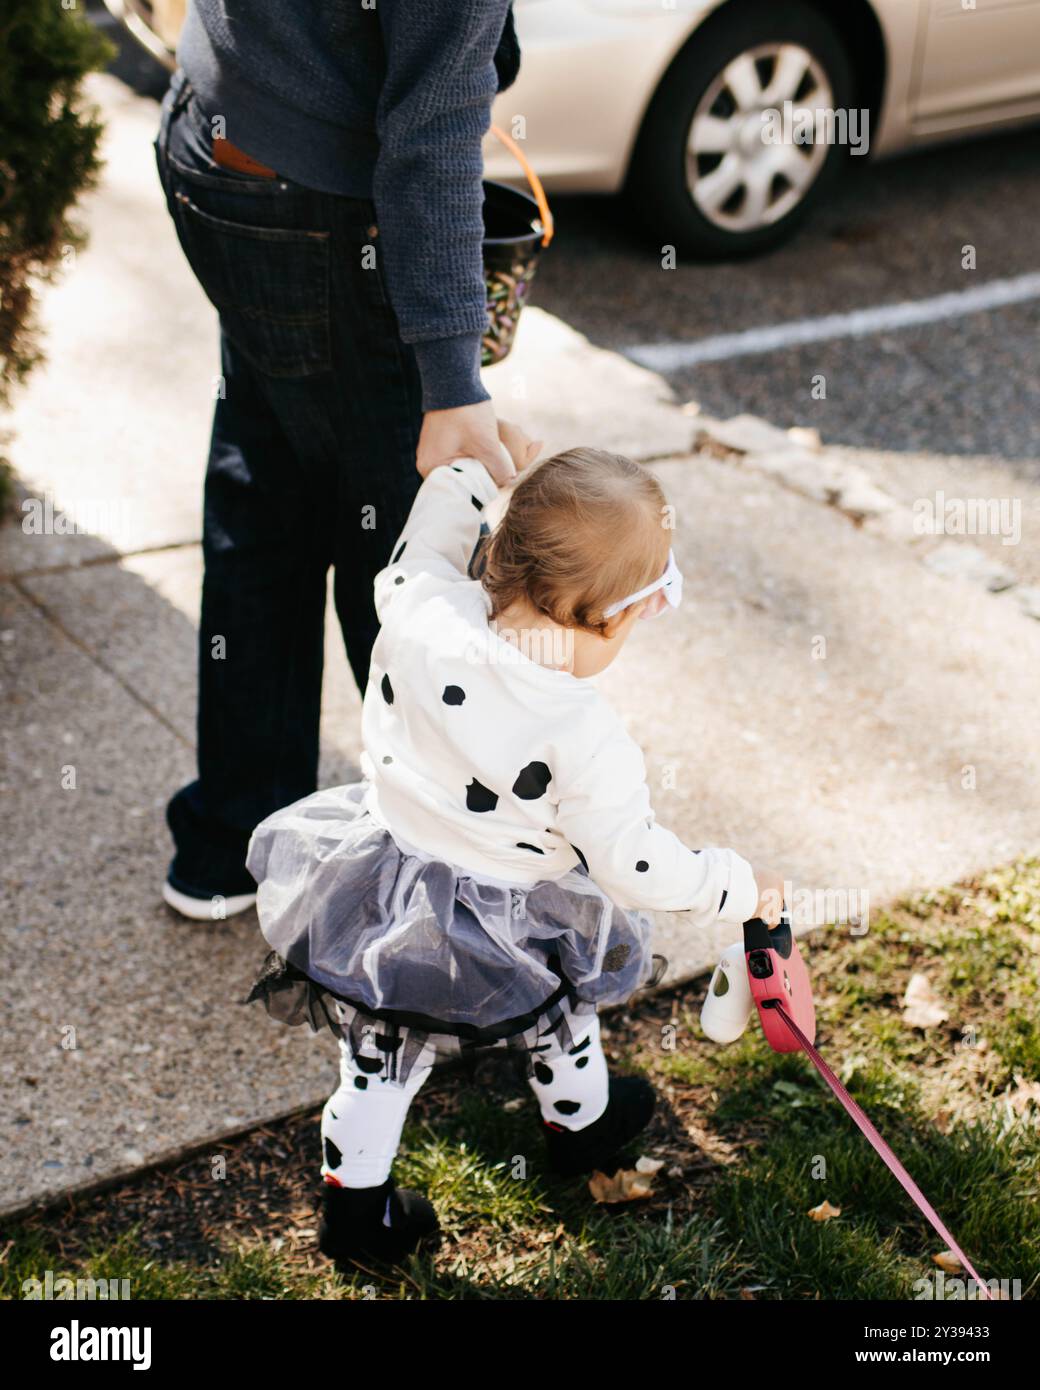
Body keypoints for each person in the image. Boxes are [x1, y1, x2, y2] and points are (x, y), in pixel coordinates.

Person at [245, 447, 786, 1264]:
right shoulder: (584, 735)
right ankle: (580, 1123)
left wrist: (480, 462)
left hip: (390, 881)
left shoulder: (417, 601)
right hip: (511, 913)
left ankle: (356, 1216)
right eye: (648, 611)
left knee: (381, 1057)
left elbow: (433, 519)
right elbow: (633, 865)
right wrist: (741, 888)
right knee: (560, 1010)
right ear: (608, 618)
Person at [153, 1, 537, 919]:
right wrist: (450, 380)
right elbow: (431, 132)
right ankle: (454, 900)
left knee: (267, 487)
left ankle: (235, 837)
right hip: (321, 209)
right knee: (406, 564)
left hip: (215, 138)